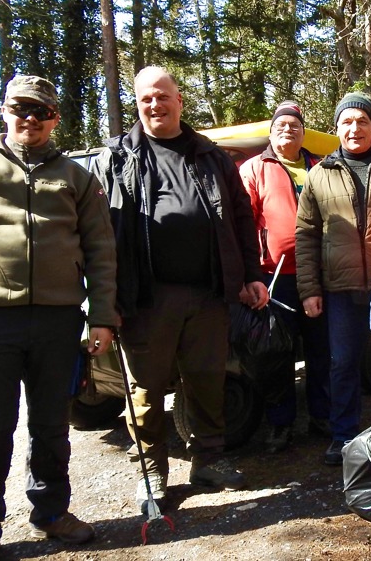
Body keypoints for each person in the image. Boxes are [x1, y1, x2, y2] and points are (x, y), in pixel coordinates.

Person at [0, 75, 116, 560]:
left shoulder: (77, 178)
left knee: (52, 427)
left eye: (40, 110)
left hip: (58, 322)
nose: (29, 119)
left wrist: (103, 316)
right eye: (19, 109)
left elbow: (101, 252)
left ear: (54, 117)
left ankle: (51, 512)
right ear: (4, 111)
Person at [96, 67, 269, 510]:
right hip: (145, 296)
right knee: (146, 388)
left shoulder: (209, 155)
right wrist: (105, 298)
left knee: (207, 379)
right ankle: (151, 470)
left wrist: (251, 274)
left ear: (179, 100)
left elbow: (241, 216)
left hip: (208, 292)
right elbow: (97, 232)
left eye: (162, 97)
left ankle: (208, 460)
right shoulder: (118, 156)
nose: (155, 105)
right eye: (145, 99)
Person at [295, 92, 371, 465]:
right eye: (347, 121)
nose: (355, 128)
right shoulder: (319, 175)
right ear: (337, 127)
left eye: (362, 121)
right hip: (340, 288)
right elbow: (306, 235)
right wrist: (309, 289)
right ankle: (343, 435)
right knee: (342, 363)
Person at [238, 101, 331, 452]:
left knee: (321, 349)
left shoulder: (320, 168)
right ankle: (281, 424)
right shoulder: (254, 169)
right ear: (272, 132)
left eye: (294, 125)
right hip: (272, 280)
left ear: (303, 131)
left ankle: (322, 415)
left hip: (318, 275)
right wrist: (248, 276)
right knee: (276, 355)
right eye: (281, 126)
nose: (287, 130)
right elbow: (242, 223)